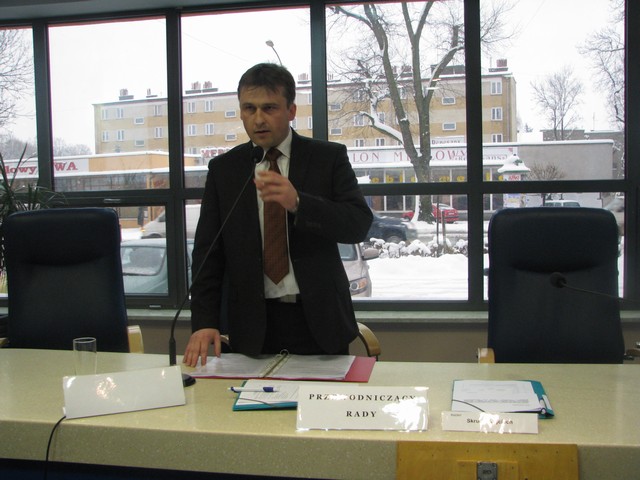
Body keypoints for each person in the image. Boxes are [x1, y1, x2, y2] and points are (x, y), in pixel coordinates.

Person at [183, 63, 373, 367]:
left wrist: (298, 202)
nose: (258, 119)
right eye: (249, 108)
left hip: (319, 322)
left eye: (269, 108)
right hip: (251, 325)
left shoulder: (327, 158)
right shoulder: (225, 170)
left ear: (291, 110)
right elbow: (208, 253)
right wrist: (205, 321)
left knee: (319, 400)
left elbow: (358, 224)